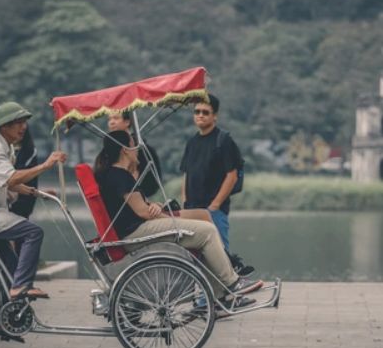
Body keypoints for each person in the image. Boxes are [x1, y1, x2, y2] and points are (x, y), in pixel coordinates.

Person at [95, 130, 262, 303]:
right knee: (207, 231)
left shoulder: (117, 174)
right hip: (135, 233)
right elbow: (143, 212)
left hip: (136, 229)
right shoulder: (119, 175)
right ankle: (232, 283)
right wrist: (173, 220)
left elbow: (141, 208)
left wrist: (155, 206)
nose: (137, 148)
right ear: (125, 150)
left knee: (201, 226)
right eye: (133, 144)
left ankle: (219, 296)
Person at [0, 102, 66, 300]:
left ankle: (0, 318)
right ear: (4, 126)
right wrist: (46, 165)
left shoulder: (4, 146)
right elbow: (11, 178)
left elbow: (6, 182)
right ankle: (21, 286)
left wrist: (34, 192)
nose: (23, 127)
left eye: (24, 122)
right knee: (33, 233)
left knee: (9, 268)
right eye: (18, 123)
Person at [179, 95, 254, 275]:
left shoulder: (223, 140)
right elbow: (186, 175)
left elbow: (232, 175)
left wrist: (215, 205)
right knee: (194, 256)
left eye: (206, 112)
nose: (200, 116)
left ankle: (226, 296)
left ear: (215, 116)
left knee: (219, 255)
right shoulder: (192, 142)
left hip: (214, 211)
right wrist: (185, 202)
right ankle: (202, 299)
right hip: (191, 211)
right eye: (197, 112)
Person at [107, 112, 162, 197]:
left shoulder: (143, 150)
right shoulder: (108, 150)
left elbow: (153, 181)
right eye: (109, 119)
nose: (111, 122)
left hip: (138, 195)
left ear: (127, 122)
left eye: (116, 118)